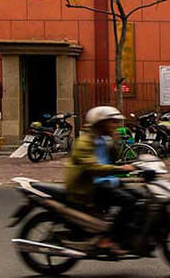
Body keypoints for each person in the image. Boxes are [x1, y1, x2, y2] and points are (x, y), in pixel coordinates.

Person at [64, 106, 136, 255]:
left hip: (107, 180)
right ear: (100, 123)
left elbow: (115, 159)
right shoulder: (84, 141)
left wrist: (115, 141)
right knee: (128, 201)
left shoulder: (104, 139)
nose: (115, 126)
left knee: (139, 195)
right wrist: (120, 170)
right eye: (112, 122)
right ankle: (107, 239)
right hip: (90, 185)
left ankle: (127, 233)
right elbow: (93, 167)